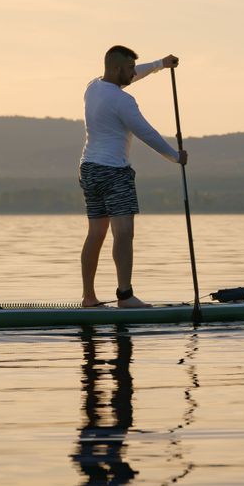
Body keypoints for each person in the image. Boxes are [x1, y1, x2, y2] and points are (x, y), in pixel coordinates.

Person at [79, 45, 187, 308]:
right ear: (117, 69)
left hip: (88, 168)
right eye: (129, 68)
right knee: (124, 233)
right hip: (114, 171)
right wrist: (174, 156)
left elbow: (133, 74)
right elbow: (146, 133)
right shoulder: (123, 101)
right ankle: (125, 297)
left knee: (96, 233)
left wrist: (160, 64)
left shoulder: (93, 87)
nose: (132, 73)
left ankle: (89, 297)